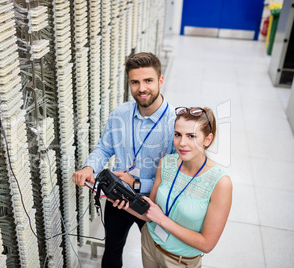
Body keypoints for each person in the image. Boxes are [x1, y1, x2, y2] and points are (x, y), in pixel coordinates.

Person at [72, 52, 176, 268]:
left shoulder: (175, 124)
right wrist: (89, 167)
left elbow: (176, 177)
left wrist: (137, 183)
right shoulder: (120, 113)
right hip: (118, 198)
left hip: (155, 203)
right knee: (112, 249)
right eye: (135, 82)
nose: (142, 88)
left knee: (157, 255)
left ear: (160, 80)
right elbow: (104, 147)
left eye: (148, 80)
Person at [112, 107, 233, 268]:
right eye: (178, 134)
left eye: (191, 136)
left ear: (207, 140)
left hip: (180, 261)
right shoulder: (167, 163)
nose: (182, 143)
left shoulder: (220, 183)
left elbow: (207, 244)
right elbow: (150, 213)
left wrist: (162, 219)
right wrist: (122, 202)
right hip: (150, 245)